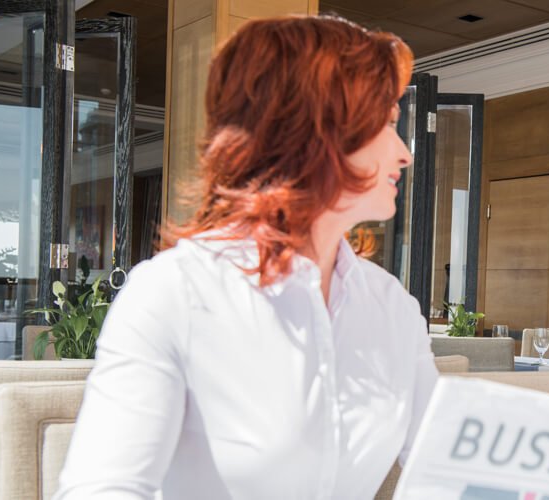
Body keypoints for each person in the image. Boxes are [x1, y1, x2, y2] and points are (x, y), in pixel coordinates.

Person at [54, 15, 437, 499]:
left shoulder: (391, 306)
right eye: (387, 124)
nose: (405, 153)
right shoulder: (174, 294)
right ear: (313, 131)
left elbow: (443, 466)